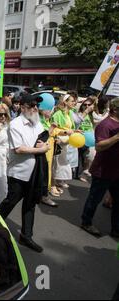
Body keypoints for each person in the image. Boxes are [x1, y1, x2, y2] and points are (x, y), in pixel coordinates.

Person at [0, 95, 50, 253]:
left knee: (30, 204)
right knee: (10, 202)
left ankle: (26, 236)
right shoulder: (15, 125)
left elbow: (43, 138)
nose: (35, 108)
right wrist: (41, 149)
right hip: (19, 173)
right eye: (32, 105)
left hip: (35, 173)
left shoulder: (37, 122)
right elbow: (19, 149)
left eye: (36, 106)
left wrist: (45, 144)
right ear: (22, 106)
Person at [81, 97, 119, 239]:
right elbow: (99, 146)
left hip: (116, 170)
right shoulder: (105, 124)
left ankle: (116, 229)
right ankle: (86, 222)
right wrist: (117, 137)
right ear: (115, 109)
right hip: (103, 170)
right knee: (94, 198)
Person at [51, 94, 77, 192]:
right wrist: (65, 133)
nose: (74, 103)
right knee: (56, 164)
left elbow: (71, 128)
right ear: (65, 102)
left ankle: (58, 182)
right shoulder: (57, 114)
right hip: (59, 141)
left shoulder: (69, 113)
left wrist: (75, 132)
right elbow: (53, 129)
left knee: (63, 163)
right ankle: (52, 186)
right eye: (72, 101)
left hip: (66, 142)